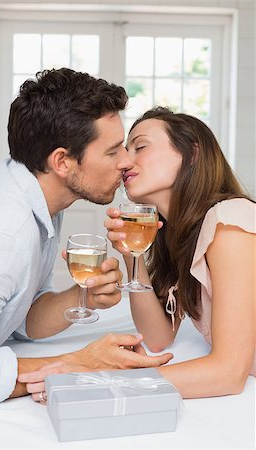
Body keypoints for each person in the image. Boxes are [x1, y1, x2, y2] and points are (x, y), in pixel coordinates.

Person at [0, 71, 172, 406]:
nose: (127, 162)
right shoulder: (0, 233)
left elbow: (19, 318)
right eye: (113, 151)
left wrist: (79, 296)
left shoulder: (41, 200)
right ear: (62, 162)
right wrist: (79, 363)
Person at [104, 106, 256, 398]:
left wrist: (106, 383)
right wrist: (131, 253)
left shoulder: (230, 220)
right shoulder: (177, 236)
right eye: (124, 150)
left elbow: (229, 373)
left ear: (192, 154)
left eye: (140, 146)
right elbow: (157, 337)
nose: (123, 161)